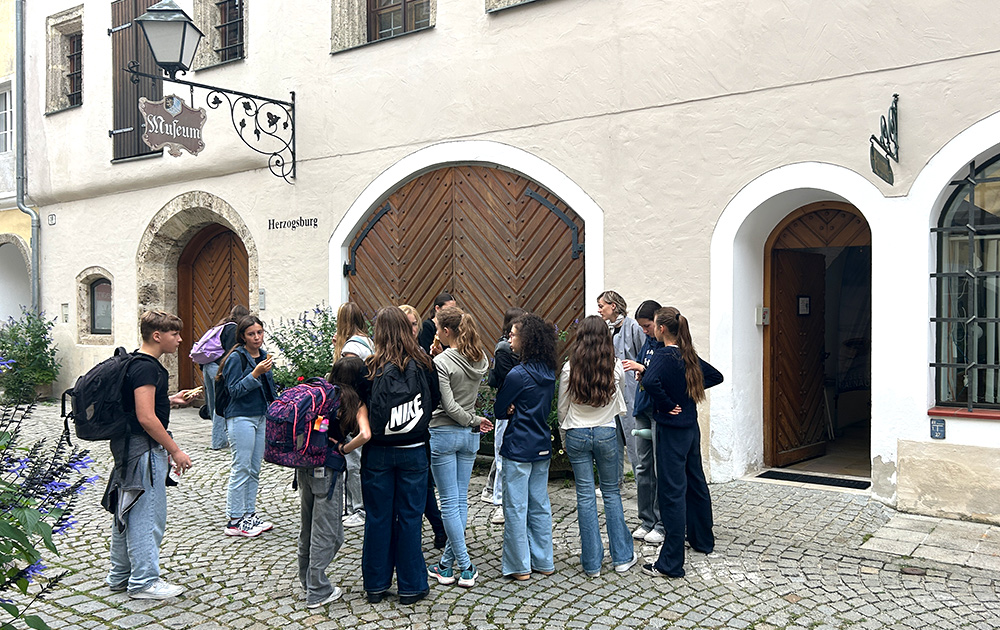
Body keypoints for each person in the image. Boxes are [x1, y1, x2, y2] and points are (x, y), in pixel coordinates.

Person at [105, 310, 194, 599]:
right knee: (147, 515)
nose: (179, 340)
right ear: (157, 336)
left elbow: (138, 407)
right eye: (174, 334)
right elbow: (145, 417)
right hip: (143, 450)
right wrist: (175, 450)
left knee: (127, 510)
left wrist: (169, 400)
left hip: (127, 447)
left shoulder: (135, 362)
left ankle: (120, 575)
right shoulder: (147, 368)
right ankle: (144, 581)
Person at [361, 307, 441, 605]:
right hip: (414, 449)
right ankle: (411, 585)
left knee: (378, 517)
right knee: (410, 517)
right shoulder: (425, 364)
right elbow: (434, 401)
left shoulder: (369, 368)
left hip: (378, 452)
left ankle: (375, 585)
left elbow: (357, 407)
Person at [640, 307, 724, 579]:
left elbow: (650, 381)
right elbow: (715, 376)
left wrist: (667, 403)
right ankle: (703, 540)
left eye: (654, 325)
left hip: (672, 431)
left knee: (672, 492)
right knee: (696, 482)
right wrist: (688, 390)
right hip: (690, 428)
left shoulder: (664, 356)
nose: (652, 330)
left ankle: (671, 563)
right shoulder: (687, 354)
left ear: (662, 328)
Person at [558, 315, 637, 578]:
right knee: (611, 493)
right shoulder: (615, 366)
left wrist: (564, 436)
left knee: (585, 495)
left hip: (577, 431)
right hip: (606, 431)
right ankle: (622, 557)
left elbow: (562, 408)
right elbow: (620, 396)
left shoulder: (570, 368)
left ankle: (592, 564)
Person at [298, 356, 372, 609]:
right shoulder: (354, 401)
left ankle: (306, 581)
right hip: (328, 472)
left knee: (308, 527)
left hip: (305, 467)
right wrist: (344, 448)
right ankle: (318, 590)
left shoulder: (321, 395)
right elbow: (365, 434)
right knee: (329, 532)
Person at [426, 307, 492, 589]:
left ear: (446, 331)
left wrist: (473, 420)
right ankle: (445, 564)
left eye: (437, 329)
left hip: (444, 432)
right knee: (460, 501)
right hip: (469, 437)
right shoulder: (480, 358)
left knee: (449, 503)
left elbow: (449, 405)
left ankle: (465, 567)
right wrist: (474, 421)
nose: (435, 332)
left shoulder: (442, 362)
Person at [494, 313, 557, 580]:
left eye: (513, 335)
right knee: (540, 505)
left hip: (518, 445)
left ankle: (519, 566)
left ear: (527, 339)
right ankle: (544, 561)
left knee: (516, 507)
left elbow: (499, 409)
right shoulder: (549, 373)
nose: (509, 339)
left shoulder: (517, 375)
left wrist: (510, 407)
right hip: (541, 443)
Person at [219, 315, 278, 538]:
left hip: (261, 415)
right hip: (241, 416)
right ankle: (235, 519)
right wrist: (255, 374)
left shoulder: (263, 355)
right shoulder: (236, 358)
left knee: (254, 468)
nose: (256, 337)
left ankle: (249, 513)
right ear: (243, 336)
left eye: (259, 332)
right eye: (251, 334)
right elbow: (233, 390)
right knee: (241, 467)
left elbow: (269, 388)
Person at [401, 303, 447, 550]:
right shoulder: (390, 356)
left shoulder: (422, 355)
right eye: (407, 324)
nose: (412, 329)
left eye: (414, 324)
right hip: (397, 434)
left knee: (425, 484)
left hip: (419, 432)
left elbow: (434, 393)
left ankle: (438, 529)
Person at [621, 300, 665, 545]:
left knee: (659, 468)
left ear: (659, 322)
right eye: (642, 327)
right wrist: (640, 372)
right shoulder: (648, 342)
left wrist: (643, 370)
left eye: (647, 326)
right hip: (642, 408)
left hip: (659, 412)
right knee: (642, 467)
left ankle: (661, 523)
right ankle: (646, 520)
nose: (645, 331)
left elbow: (665, 375)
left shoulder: (668, 345)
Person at [481, 306, 526, 526]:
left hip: (521, 409)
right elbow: (507, 379)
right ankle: (499, 502)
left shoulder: (526, 350)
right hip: (508, 409)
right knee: (501, 456)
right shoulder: (503, 350)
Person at [596, 290, 646, 487]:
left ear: (613, 306)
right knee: (612, 438)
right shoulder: (607, 330)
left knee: (634, 440)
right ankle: (614, 483)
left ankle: (643, 486)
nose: (599, 310)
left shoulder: (633, 327)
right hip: (612, 392)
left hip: (631, 392)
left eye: (601, 306)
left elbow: (643, 358)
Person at [333, 302, 373, 529]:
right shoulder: (367, 341)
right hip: (365, 404)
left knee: (352, 461)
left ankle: (357, 508)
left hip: (352, 408)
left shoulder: (350, 348)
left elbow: (345, 378)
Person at [204, 305, 249, 450]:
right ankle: (218, 441)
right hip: (218, 368)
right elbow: (231, 353)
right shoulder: (232, 329)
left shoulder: (221, 326)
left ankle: (218, 437)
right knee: (221, 403)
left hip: (207, 366)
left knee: (213, 403)